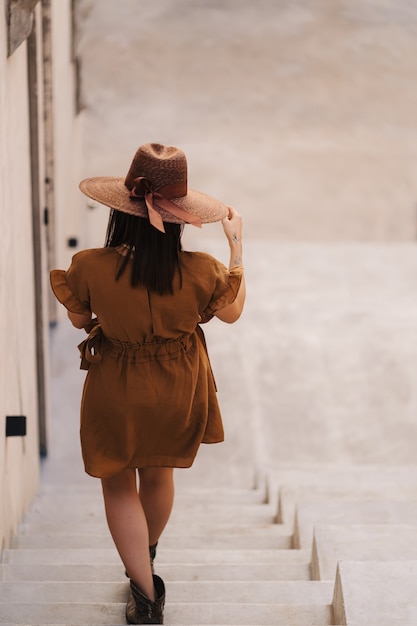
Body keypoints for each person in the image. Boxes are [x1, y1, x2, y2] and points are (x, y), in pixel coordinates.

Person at [50, 142, 245, 625]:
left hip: (116, 382)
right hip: (179, 384)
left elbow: (78, 321)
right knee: (159, 473)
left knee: (118, 483)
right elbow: (233, 313)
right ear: (179, 216)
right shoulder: (201, 271)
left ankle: (146, 594)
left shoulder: (91, 266)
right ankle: (146, 556)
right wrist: (236, 245)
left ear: (121, 212)